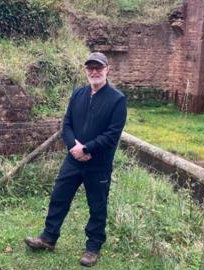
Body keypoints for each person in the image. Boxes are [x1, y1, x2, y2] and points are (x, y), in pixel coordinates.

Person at [24, 52, 127, 267]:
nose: (94, 71)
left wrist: (88, 148)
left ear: (107, 69)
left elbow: (112, 134)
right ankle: (48, 238)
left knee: (97, 205)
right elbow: (67, 124)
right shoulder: (78, 94)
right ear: (85, 70)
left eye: (98, 67)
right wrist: (74, 147)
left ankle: (93, 247)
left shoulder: (117, 99)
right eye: (90, 67)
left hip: (98, 163)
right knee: (59, 197)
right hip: (73, 159)